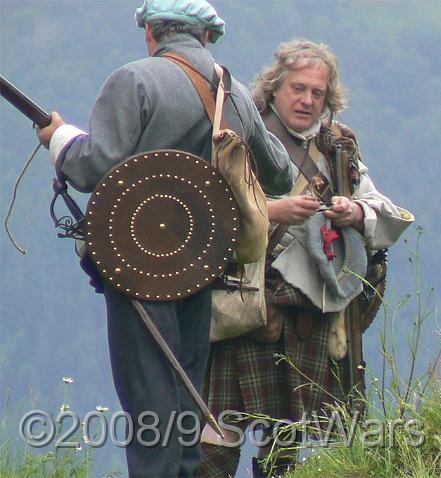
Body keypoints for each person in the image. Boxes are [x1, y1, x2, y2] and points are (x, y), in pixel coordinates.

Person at [35, 1, 293, 476]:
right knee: (184, 398)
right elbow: (281, 174)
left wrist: (58, 138)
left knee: (150, 405)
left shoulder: (134, 80)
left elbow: (93, 165)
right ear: (206, 38)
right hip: (203, 266)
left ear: (151, 31)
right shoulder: (232, 95)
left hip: (139, 266)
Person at [198, 39, 414, 477]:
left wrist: (354, 211)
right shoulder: (242, 137)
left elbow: (379, 209)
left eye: (317, 93)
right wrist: (272, 210)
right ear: (275, 89)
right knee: (218, 435)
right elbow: (207, 213)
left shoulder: (337, 149)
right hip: (246, 305)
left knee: (286, 440)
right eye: (298, 88)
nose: (307, 100)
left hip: (307, 316)